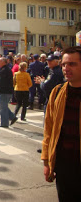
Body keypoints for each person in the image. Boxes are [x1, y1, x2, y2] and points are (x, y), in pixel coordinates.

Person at [41, 46, 81, 201]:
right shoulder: (57, 92)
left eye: (72, 64)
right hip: (64, 165)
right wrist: (47, 161)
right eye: (64, 64)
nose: (66, 68)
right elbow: (49, 131)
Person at [0, 57, 17, 128]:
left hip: (5, 91)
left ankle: (4, 123)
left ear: (3, 62)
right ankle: (12, 117)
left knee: (3, 107)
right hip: (7, 91)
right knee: (3, 106)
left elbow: (1, 82)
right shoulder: (6, 69)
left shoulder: (4, 70)